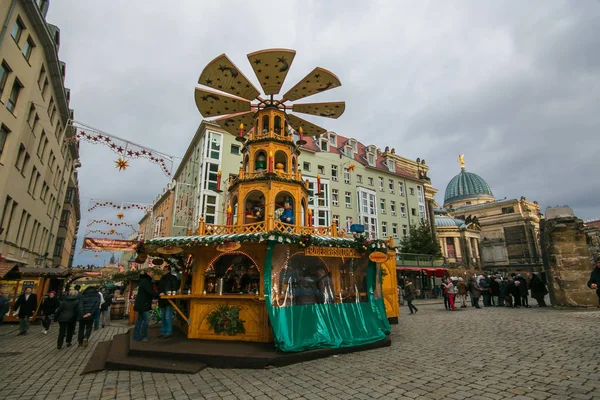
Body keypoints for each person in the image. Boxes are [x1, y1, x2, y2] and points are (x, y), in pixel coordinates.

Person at [133, 271, 158, 342]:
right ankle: (143, 336)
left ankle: (136, 336)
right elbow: (150, 291)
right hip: (144, 304)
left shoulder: (144, 280)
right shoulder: (146, 281)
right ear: (148, 273)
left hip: (141, 303)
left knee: (139, 320)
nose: (153, 274)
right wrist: (158, 294)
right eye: (152, 272)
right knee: (146, 320)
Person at [158, 265, 178, 339]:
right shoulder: (165, 278)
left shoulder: (171, 278)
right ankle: (164, 332)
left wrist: (166, 293)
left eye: (164, 270)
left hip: (167, 299)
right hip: (165, 299)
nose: (163, 271)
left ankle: (167, 332)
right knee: (164, 316)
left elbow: (174, 288)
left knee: (167, 316)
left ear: (168, 270)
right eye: (163, 270)